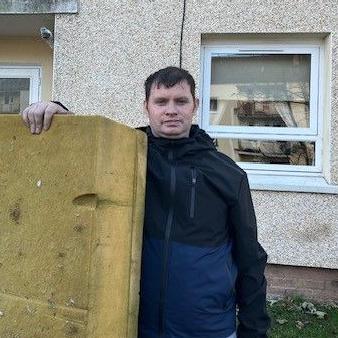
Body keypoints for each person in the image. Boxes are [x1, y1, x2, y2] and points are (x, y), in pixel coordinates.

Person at [22, 67, 270, 338]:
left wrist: (254, 330)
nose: (171, 110)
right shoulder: (125, 157)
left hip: (207, 327)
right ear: (147, 107)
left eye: (181, 101)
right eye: (161, 102)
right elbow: (84, 151)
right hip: (133, 326)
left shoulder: (227, 174)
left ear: (195, 105)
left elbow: (250, 259)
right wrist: (58, 113)